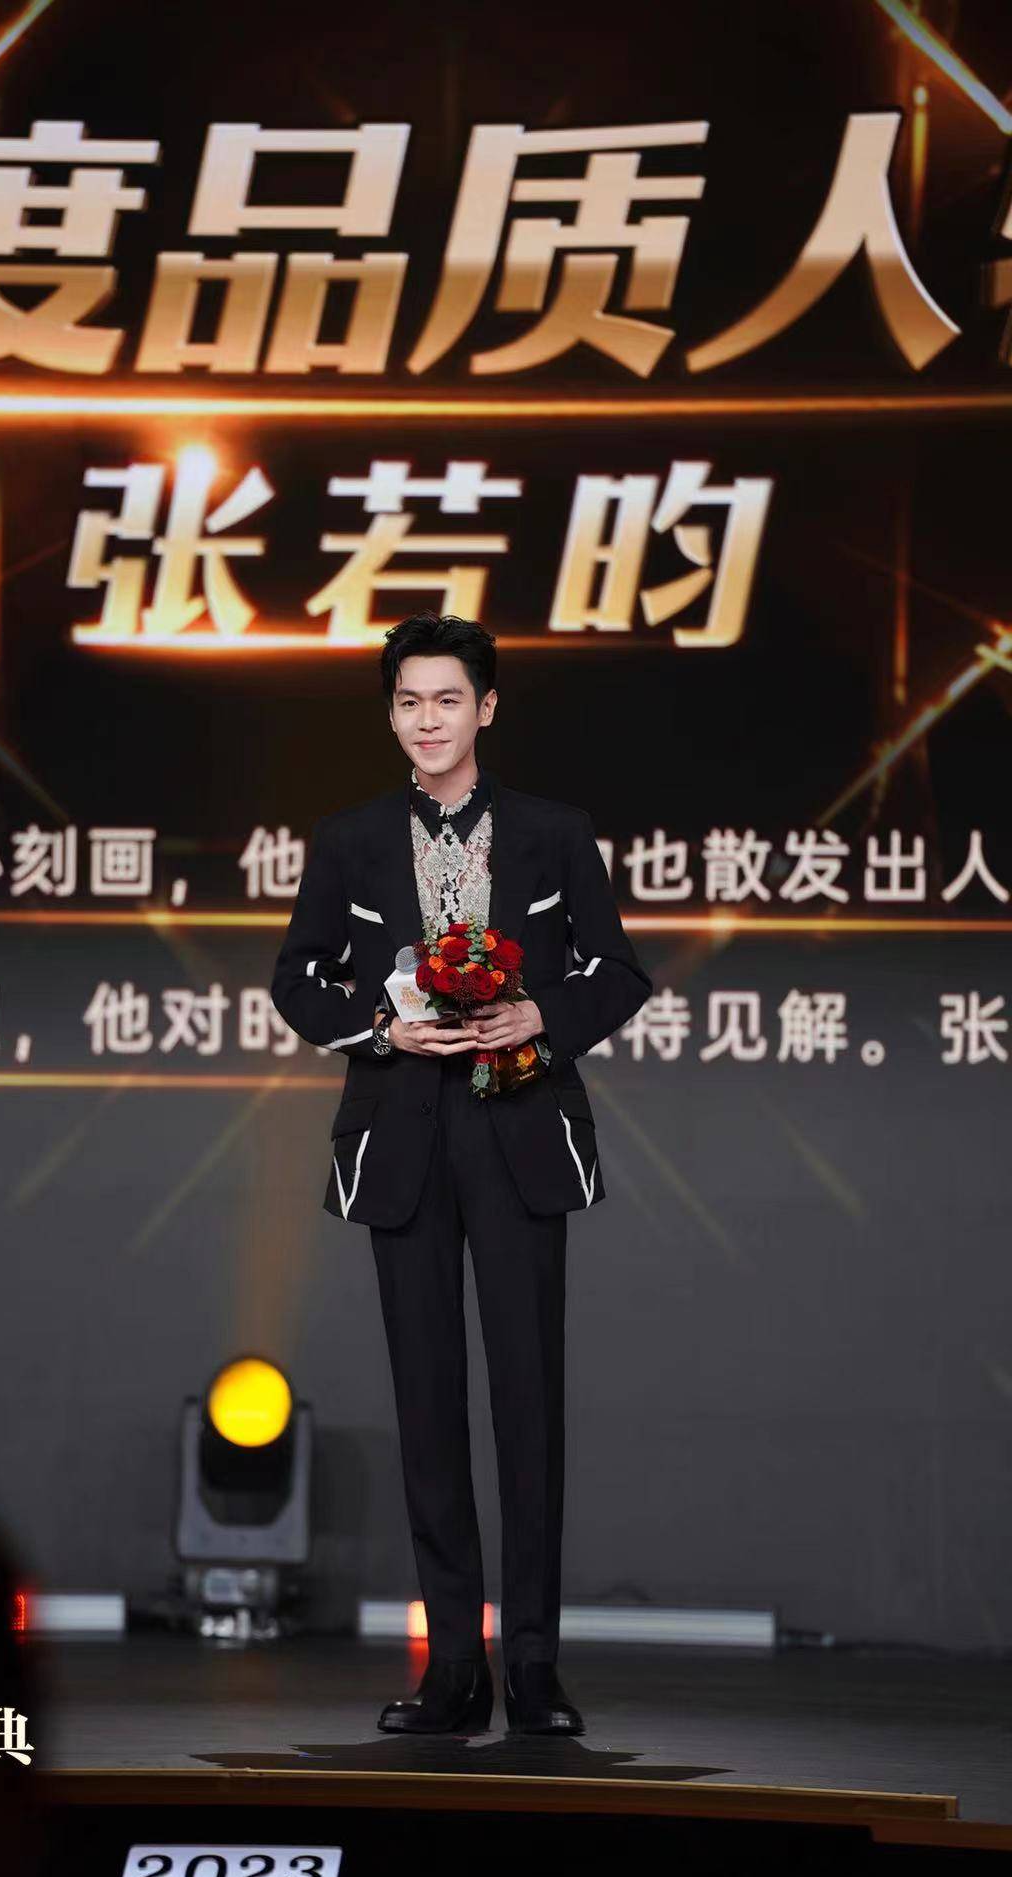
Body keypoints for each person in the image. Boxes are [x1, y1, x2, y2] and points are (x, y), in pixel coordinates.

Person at [271, 612, 652, 1735]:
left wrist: (541, 1016)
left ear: (486, 708)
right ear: (389, 713)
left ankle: (532, 1668)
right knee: (427, 1405)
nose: (427, 720)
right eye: (408, 701)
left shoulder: (552, 833)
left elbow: (616, 970)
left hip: (519, 1127)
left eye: (447, 699)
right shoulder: (347, 839)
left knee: (528, 1405)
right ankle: (452, 1669)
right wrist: (382, 1032)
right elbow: (296, 979)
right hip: (403, 1137)